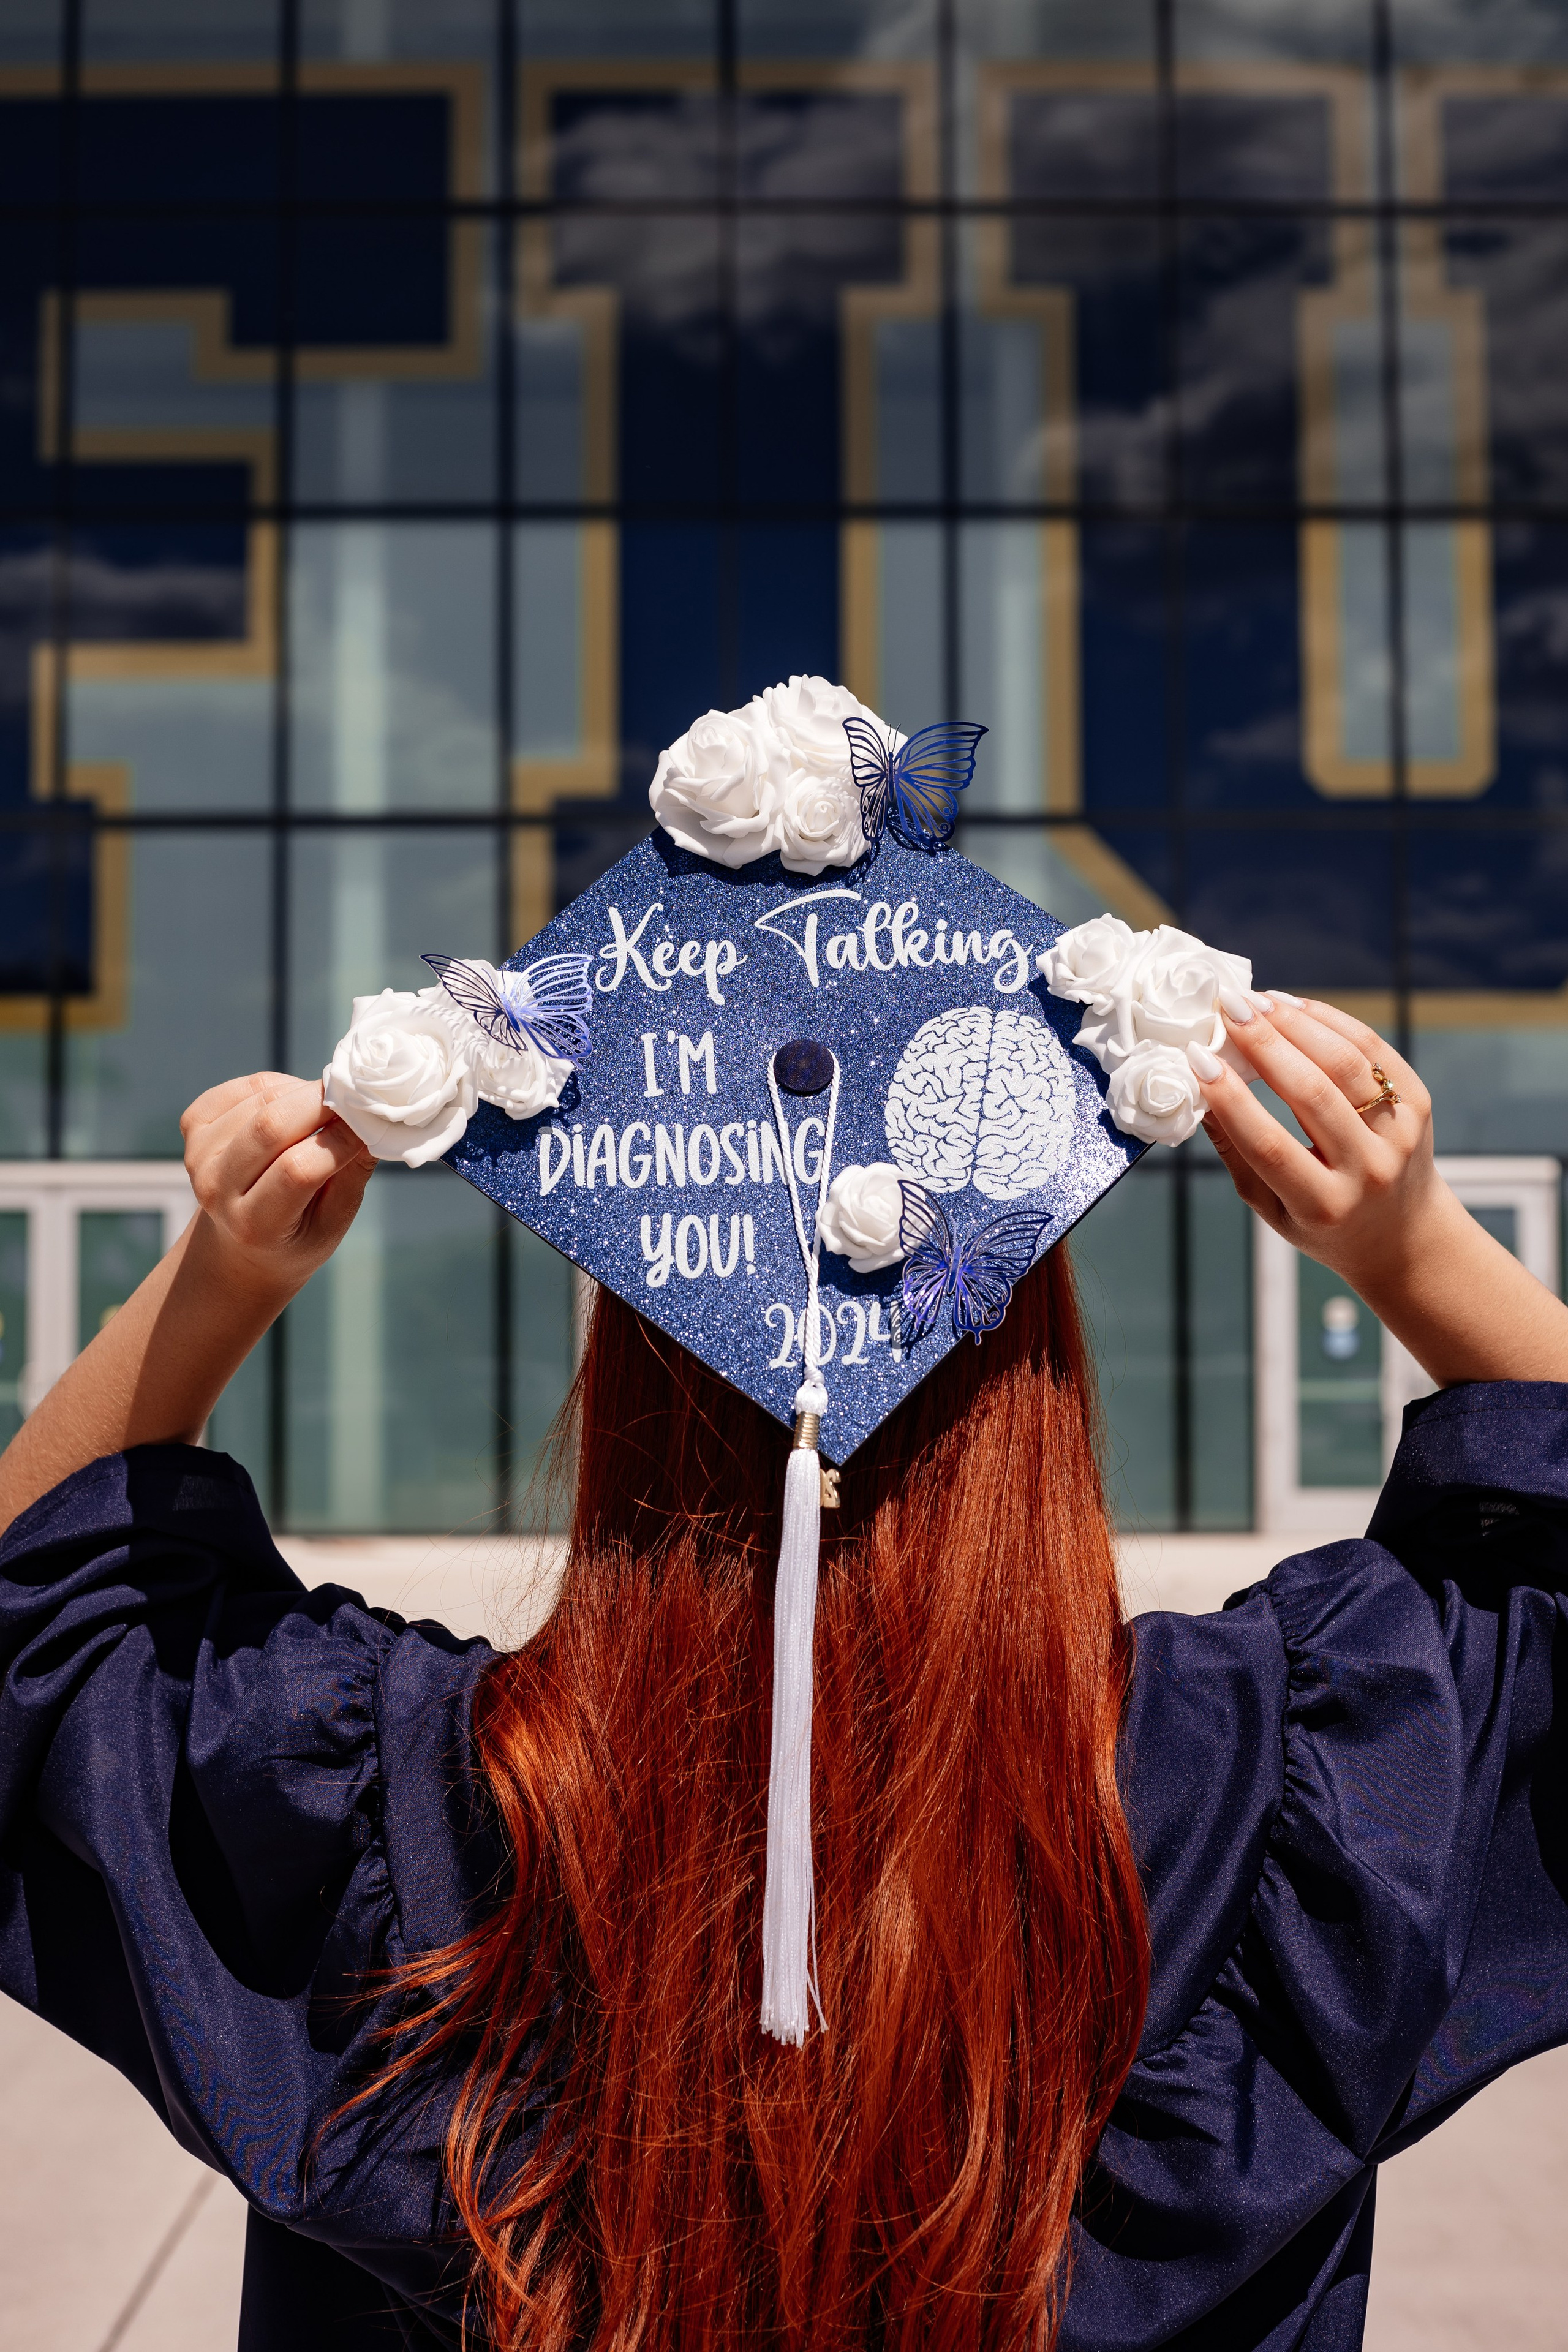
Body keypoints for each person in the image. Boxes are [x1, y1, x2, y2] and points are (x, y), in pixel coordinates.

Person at [1, 998, 1566, 2352]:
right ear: (1035, 1375)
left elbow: (43, 1610)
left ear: (619, 1387)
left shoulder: (399, 1817)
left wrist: (224, 1270)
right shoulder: (1279, 1784)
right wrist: (1408, 1247)